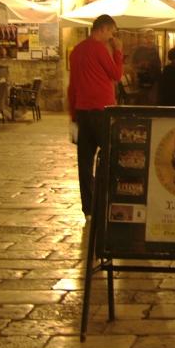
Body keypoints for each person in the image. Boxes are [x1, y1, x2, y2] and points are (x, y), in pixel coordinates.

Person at [67, 15, 124, 218]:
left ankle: (88, 209)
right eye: (111, 33)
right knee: (112, 156)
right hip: (102, 111)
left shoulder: (76, 51)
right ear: (103, 29)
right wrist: (118, 52)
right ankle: (109, 201)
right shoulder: (99, 49)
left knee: (84, 162)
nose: (112, 37)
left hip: (82, 111)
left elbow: (72, 85)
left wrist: (73, 114)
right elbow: (116, 74)